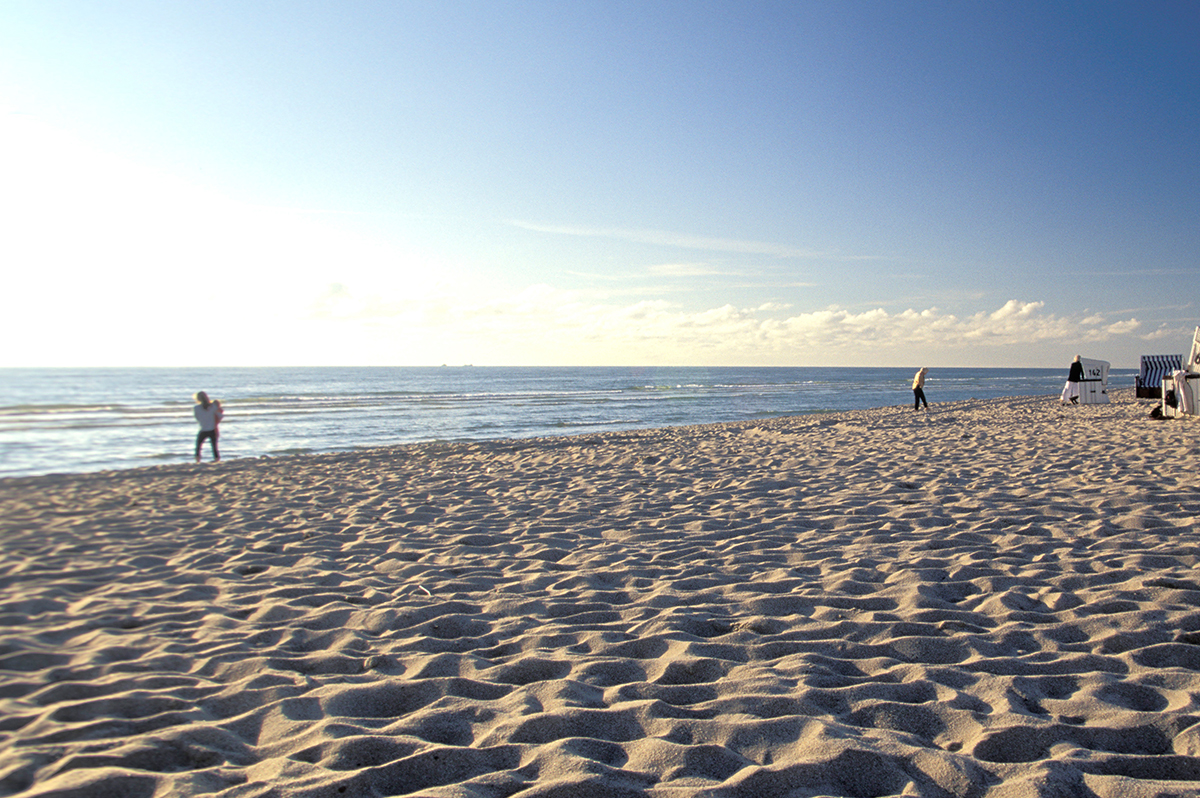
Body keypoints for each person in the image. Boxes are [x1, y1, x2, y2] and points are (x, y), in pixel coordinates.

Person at [193, 391, 224, 462]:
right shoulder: (213, 406)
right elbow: (220, 416)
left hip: (203, 429)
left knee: (198, 446)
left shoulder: (196, 408)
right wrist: (215, 422)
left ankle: (197, 460)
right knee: (214, 447)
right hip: (212, 429)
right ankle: (216, 460)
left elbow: (197, 418)